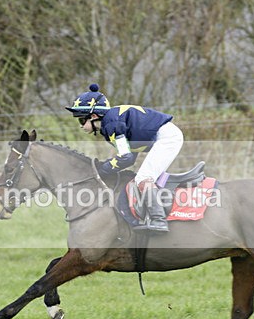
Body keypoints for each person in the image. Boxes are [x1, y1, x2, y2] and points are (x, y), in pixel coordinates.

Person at [66, 83, 184, 233]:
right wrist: (107, 167)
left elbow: (125, 158)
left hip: (167, 137)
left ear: (94, 116)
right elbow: (130, 155)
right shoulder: (111, 122)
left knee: (143, 178)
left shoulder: (111, 125)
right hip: (165, 135)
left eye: (82, 120)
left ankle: (158, 219)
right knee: (143, 177)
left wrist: (103, 169)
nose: (81, 126)